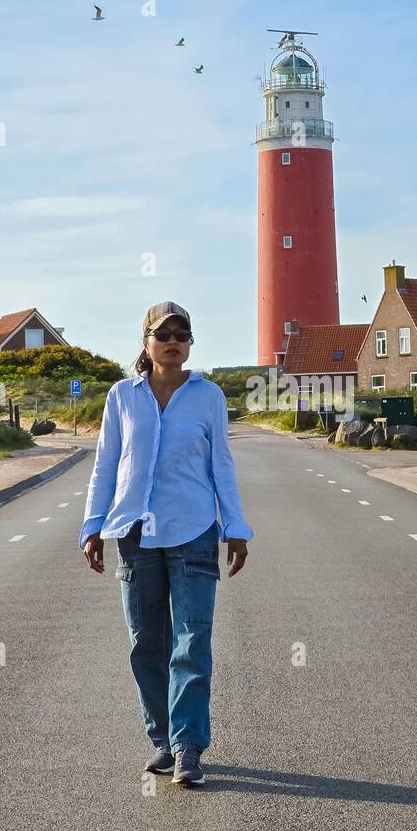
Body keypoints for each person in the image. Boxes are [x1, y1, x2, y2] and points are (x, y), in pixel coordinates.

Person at [80, 301, 252, 787]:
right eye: (163, 333)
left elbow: (221, 464)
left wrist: (234, 526)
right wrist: (92, 527)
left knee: (192, 640)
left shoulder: (209, 396)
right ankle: (163, 736)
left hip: (195, 529)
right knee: (145, 642)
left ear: (190, 343)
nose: (173, 340)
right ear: (146, 341)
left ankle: (187, 747)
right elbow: (106, 466)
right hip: (135, 533)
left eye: (182, 333)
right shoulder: (121, 396)